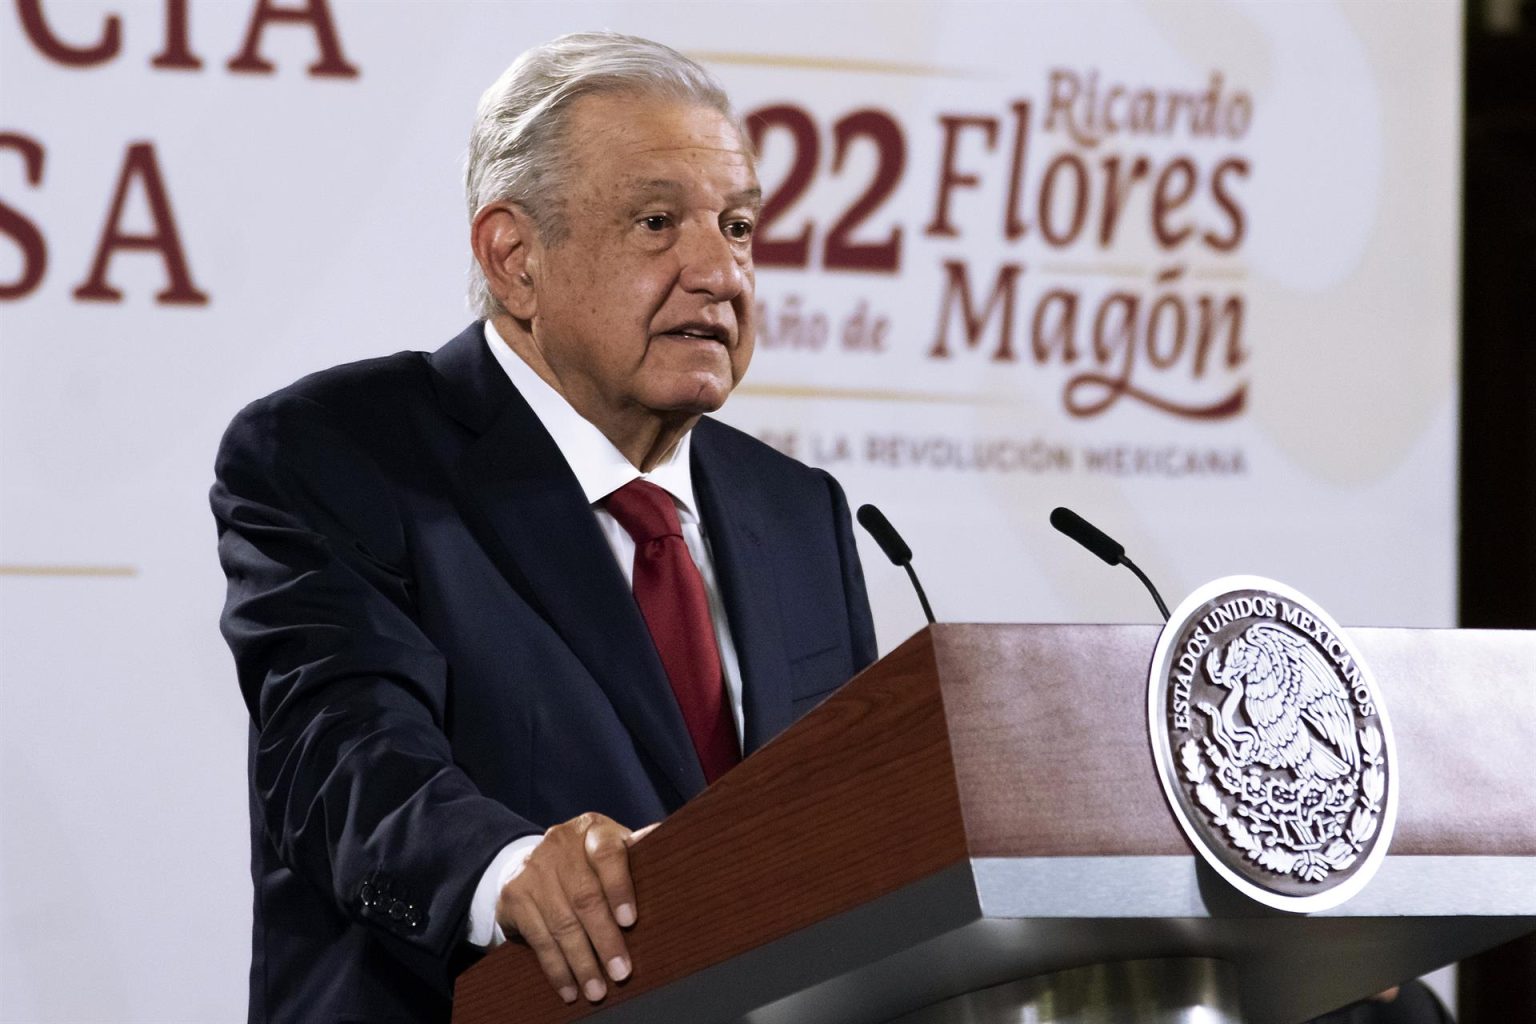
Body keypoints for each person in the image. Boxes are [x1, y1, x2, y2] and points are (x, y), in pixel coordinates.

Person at [211, 31, 877, 1024]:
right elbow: (340, 767)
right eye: (658, 222)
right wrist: (507, 869)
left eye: (737, 226)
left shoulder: (798, 510)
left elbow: (855, 821)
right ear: (514, 259)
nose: (719, 272)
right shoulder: (338, 453)